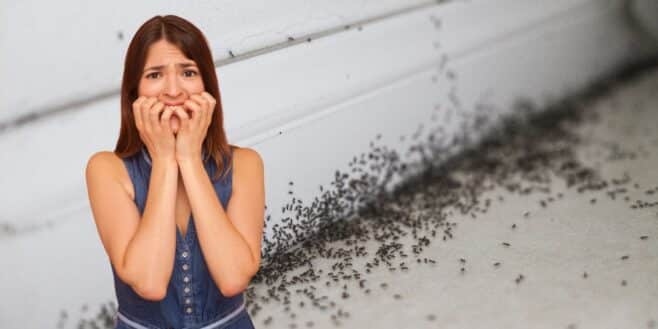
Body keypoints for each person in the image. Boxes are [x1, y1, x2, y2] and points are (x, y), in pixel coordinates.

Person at [85, 15, 263, 329]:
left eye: (188, 72)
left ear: (207, 85)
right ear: (134, 92)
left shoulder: (246, 164)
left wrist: (190, 160)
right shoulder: (105, 170)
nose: (173, 90)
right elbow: (149, 282)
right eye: (154, 75)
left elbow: (233, 279)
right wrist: (165, 160)